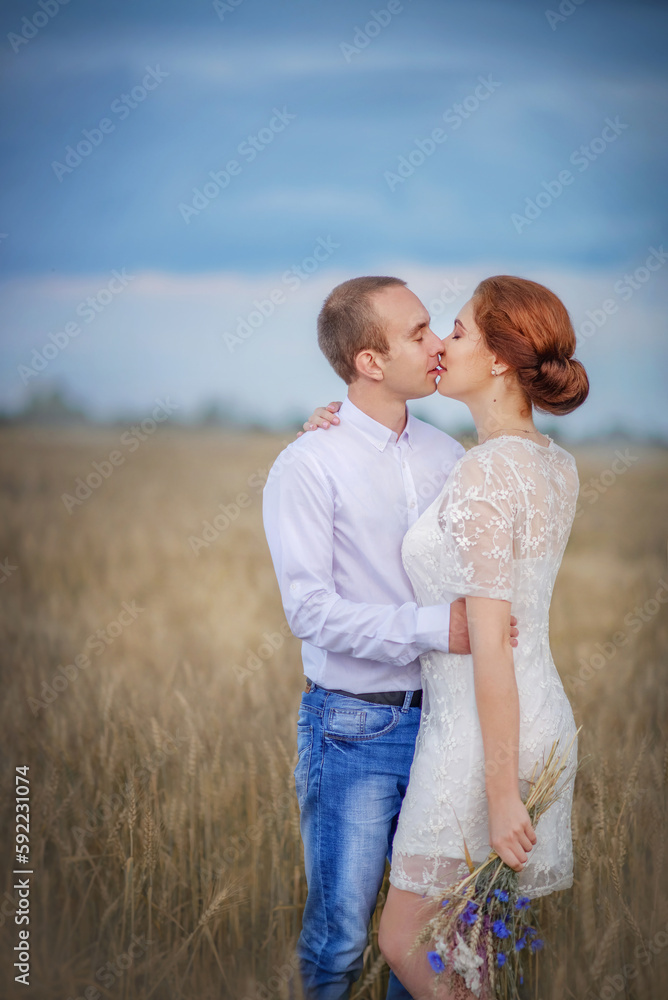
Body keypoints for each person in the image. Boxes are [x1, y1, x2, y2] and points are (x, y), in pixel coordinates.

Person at [262, 276, 519, 1000]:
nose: (437, 343)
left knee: (434, 936)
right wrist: (440, 628)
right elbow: (310, 611)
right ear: (369, 362)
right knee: (340, 937)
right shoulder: (310, 463)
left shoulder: (448, 455)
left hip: (448, 725)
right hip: (354, 726)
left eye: (436, 327)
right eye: (418, 333)